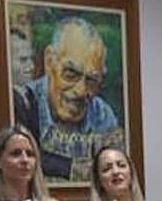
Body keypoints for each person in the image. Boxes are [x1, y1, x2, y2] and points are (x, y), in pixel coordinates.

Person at [12, 17, 124, 181]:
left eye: (92, 80)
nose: (80, 91)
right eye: (71, 74)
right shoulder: (25, 103)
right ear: (49, 62)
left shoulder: (102, 114)